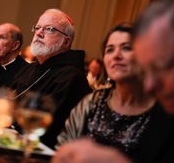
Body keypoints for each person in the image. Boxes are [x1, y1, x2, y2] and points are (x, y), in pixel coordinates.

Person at [52, 0, 174, 163]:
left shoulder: (167, 109)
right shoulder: (169, 113)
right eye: (147, 69)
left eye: (161, 66)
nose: (150, 86)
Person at [57, 24, 156, 159]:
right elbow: (64, 149)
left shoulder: (163, 112)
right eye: (110, 50)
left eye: (126, 48)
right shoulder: (91, 102)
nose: (116, 55)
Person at [12, 8, 91, 149]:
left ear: (66, 42)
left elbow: (46, 129)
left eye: (49, 29)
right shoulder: (29, 68)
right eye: (37, 28)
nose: (39, 33)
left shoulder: (71, 77)